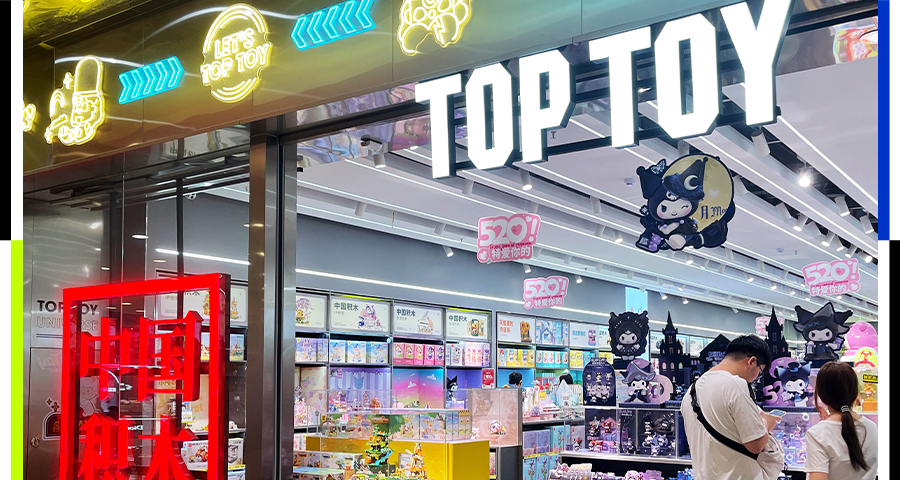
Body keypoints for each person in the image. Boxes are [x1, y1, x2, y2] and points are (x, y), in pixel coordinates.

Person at [680, 335, 781, 480]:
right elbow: (755, 445)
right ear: (752, 361)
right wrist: (765, 422)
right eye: (759, 372)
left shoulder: (690, 392)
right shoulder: (736, 385)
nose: (755, 378)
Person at [804, 361, 878, 480]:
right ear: (855, 391)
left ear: (821, 394)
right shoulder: (872, 427)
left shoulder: (817, 434)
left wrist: (823, 427)